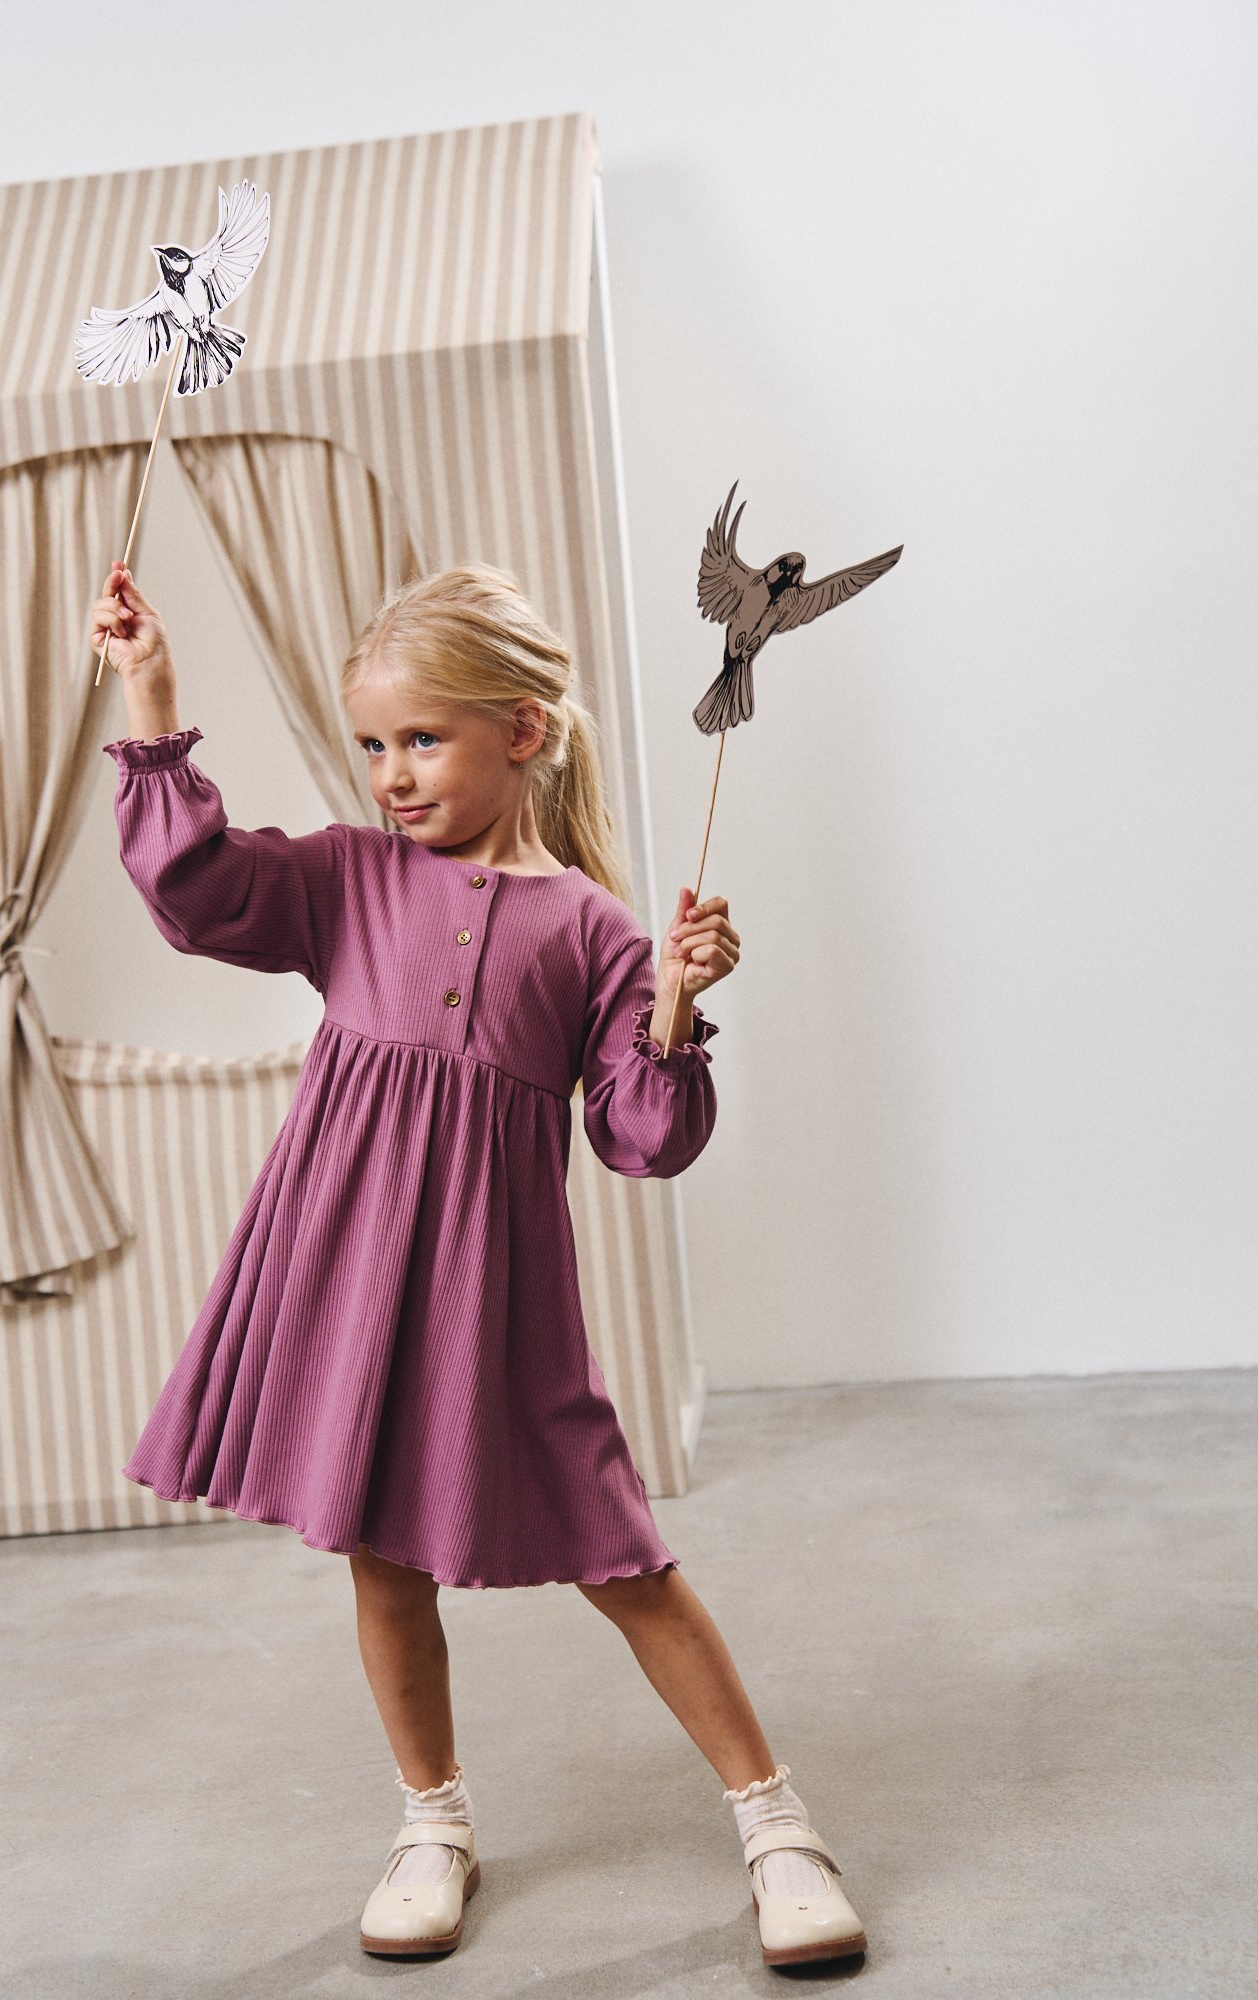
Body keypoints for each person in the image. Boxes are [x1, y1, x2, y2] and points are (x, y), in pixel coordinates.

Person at [89, 557, 868, 1970]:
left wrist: (673, 1009)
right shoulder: (347, 880)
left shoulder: (595, 933)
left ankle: (776, 1825)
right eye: (373, 744)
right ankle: (431, 1821)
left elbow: (642, 1139)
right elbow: (199, 895)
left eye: (421, 739)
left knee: (623, 1560)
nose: (391, 773)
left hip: (498, 1309)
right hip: (343, 1275)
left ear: (521, 730)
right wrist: (151, 695)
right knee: (382, 1557)